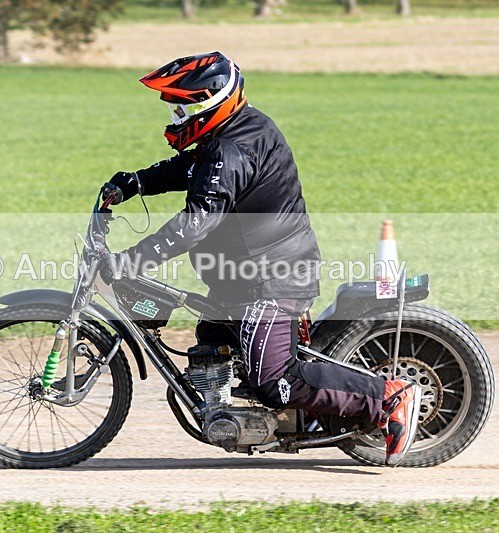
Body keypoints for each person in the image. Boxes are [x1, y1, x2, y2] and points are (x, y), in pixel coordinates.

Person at [100, 51, 422, 467]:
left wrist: (131, 261)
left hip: (272, 279)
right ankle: (250, 419)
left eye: (182, 107)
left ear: (209, 101)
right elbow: (193, 168)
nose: (176, 117)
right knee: (210, 346)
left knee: (274, 382)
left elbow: (197, 222)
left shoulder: (233, 148)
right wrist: (137, 183)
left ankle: (388, 398)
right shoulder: (232, 134)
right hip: (243, 277)